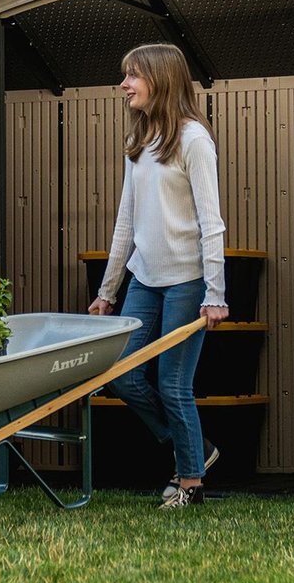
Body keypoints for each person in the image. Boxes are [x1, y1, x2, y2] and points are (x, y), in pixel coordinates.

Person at [88, 43, 228, 508]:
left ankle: (190, 483)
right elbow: (125, 222)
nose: (124, 85)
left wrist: (215, 293)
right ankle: (196, 449)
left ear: (160, 79)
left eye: (133, 76)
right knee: (121, 374)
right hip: (144, 279)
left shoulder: (193, 140)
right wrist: (107, 291)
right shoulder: (140, 143)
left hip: (187, 281)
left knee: (172, 384)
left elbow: (211, 222)